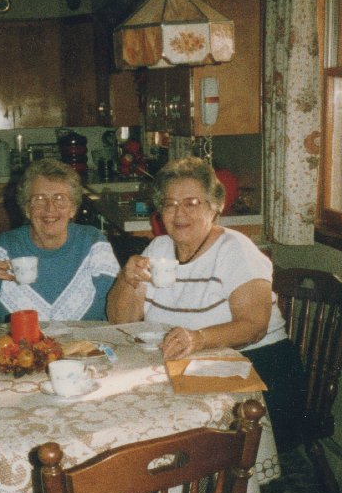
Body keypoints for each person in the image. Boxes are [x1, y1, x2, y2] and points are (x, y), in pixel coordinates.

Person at [106, 156, 305, 449]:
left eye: (192, 203)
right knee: (124, 406)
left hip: (257, 369)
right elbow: (120, 323)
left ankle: (201, 487)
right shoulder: (159, 247)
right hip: (190, 367)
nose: (179, 213)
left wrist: (198, 338)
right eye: (170, 204)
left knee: (169, 429)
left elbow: (254, 327)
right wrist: (128, 280)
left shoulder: (235, 249)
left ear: (215, 207)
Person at [0, 159, 120, 322]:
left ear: (73, 208)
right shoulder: (1, 248)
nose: (50, 208)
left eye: (59, 198)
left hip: (85, 345)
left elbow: (116, 307)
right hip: (17, 346)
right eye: (39, 199)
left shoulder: (93, 243)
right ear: (26, 209)